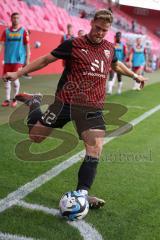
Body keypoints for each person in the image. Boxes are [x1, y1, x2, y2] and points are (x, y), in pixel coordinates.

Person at [3, 9, 147, 208]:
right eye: (97, 28)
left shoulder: (109, 48)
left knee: (95, 147)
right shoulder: (73, 44)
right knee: (35, 137)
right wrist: (19, 73)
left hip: (92, 107)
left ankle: (82, 194)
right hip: (65, 102)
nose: (100, 33)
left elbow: (115, 64)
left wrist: (135, 75)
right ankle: (34, 102)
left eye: (104, 30)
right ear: (91, 23)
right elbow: (46, 59)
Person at [0, 12, 30, 107]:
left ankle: (14, 98)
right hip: (8, 59)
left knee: (15, 79)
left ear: (19, 19)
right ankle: (7, 99)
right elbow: (1, 44)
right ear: (11, 19)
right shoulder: (6, 32)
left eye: (17, 18)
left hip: (18, 59)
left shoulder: (23, 31)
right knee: (6, 80)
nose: (15, 19)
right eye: (14, 18)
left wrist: (27, 59)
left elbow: (27, 46)